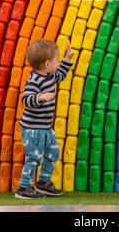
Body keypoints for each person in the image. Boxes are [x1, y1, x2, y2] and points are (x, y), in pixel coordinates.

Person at [15, 39, 74, 199]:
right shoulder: (34, 80)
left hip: (45, 127)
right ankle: (24, 188)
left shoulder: (49, 75)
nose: (58, 62)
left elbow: (61, 74)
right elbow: (26, 100)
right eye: (57, 59)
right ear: (48, 64)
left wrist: (67, 58)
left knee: (52, 153)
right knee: (33, 157)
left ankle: (43, 183)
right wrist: (40, 97)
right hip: (32, 129)